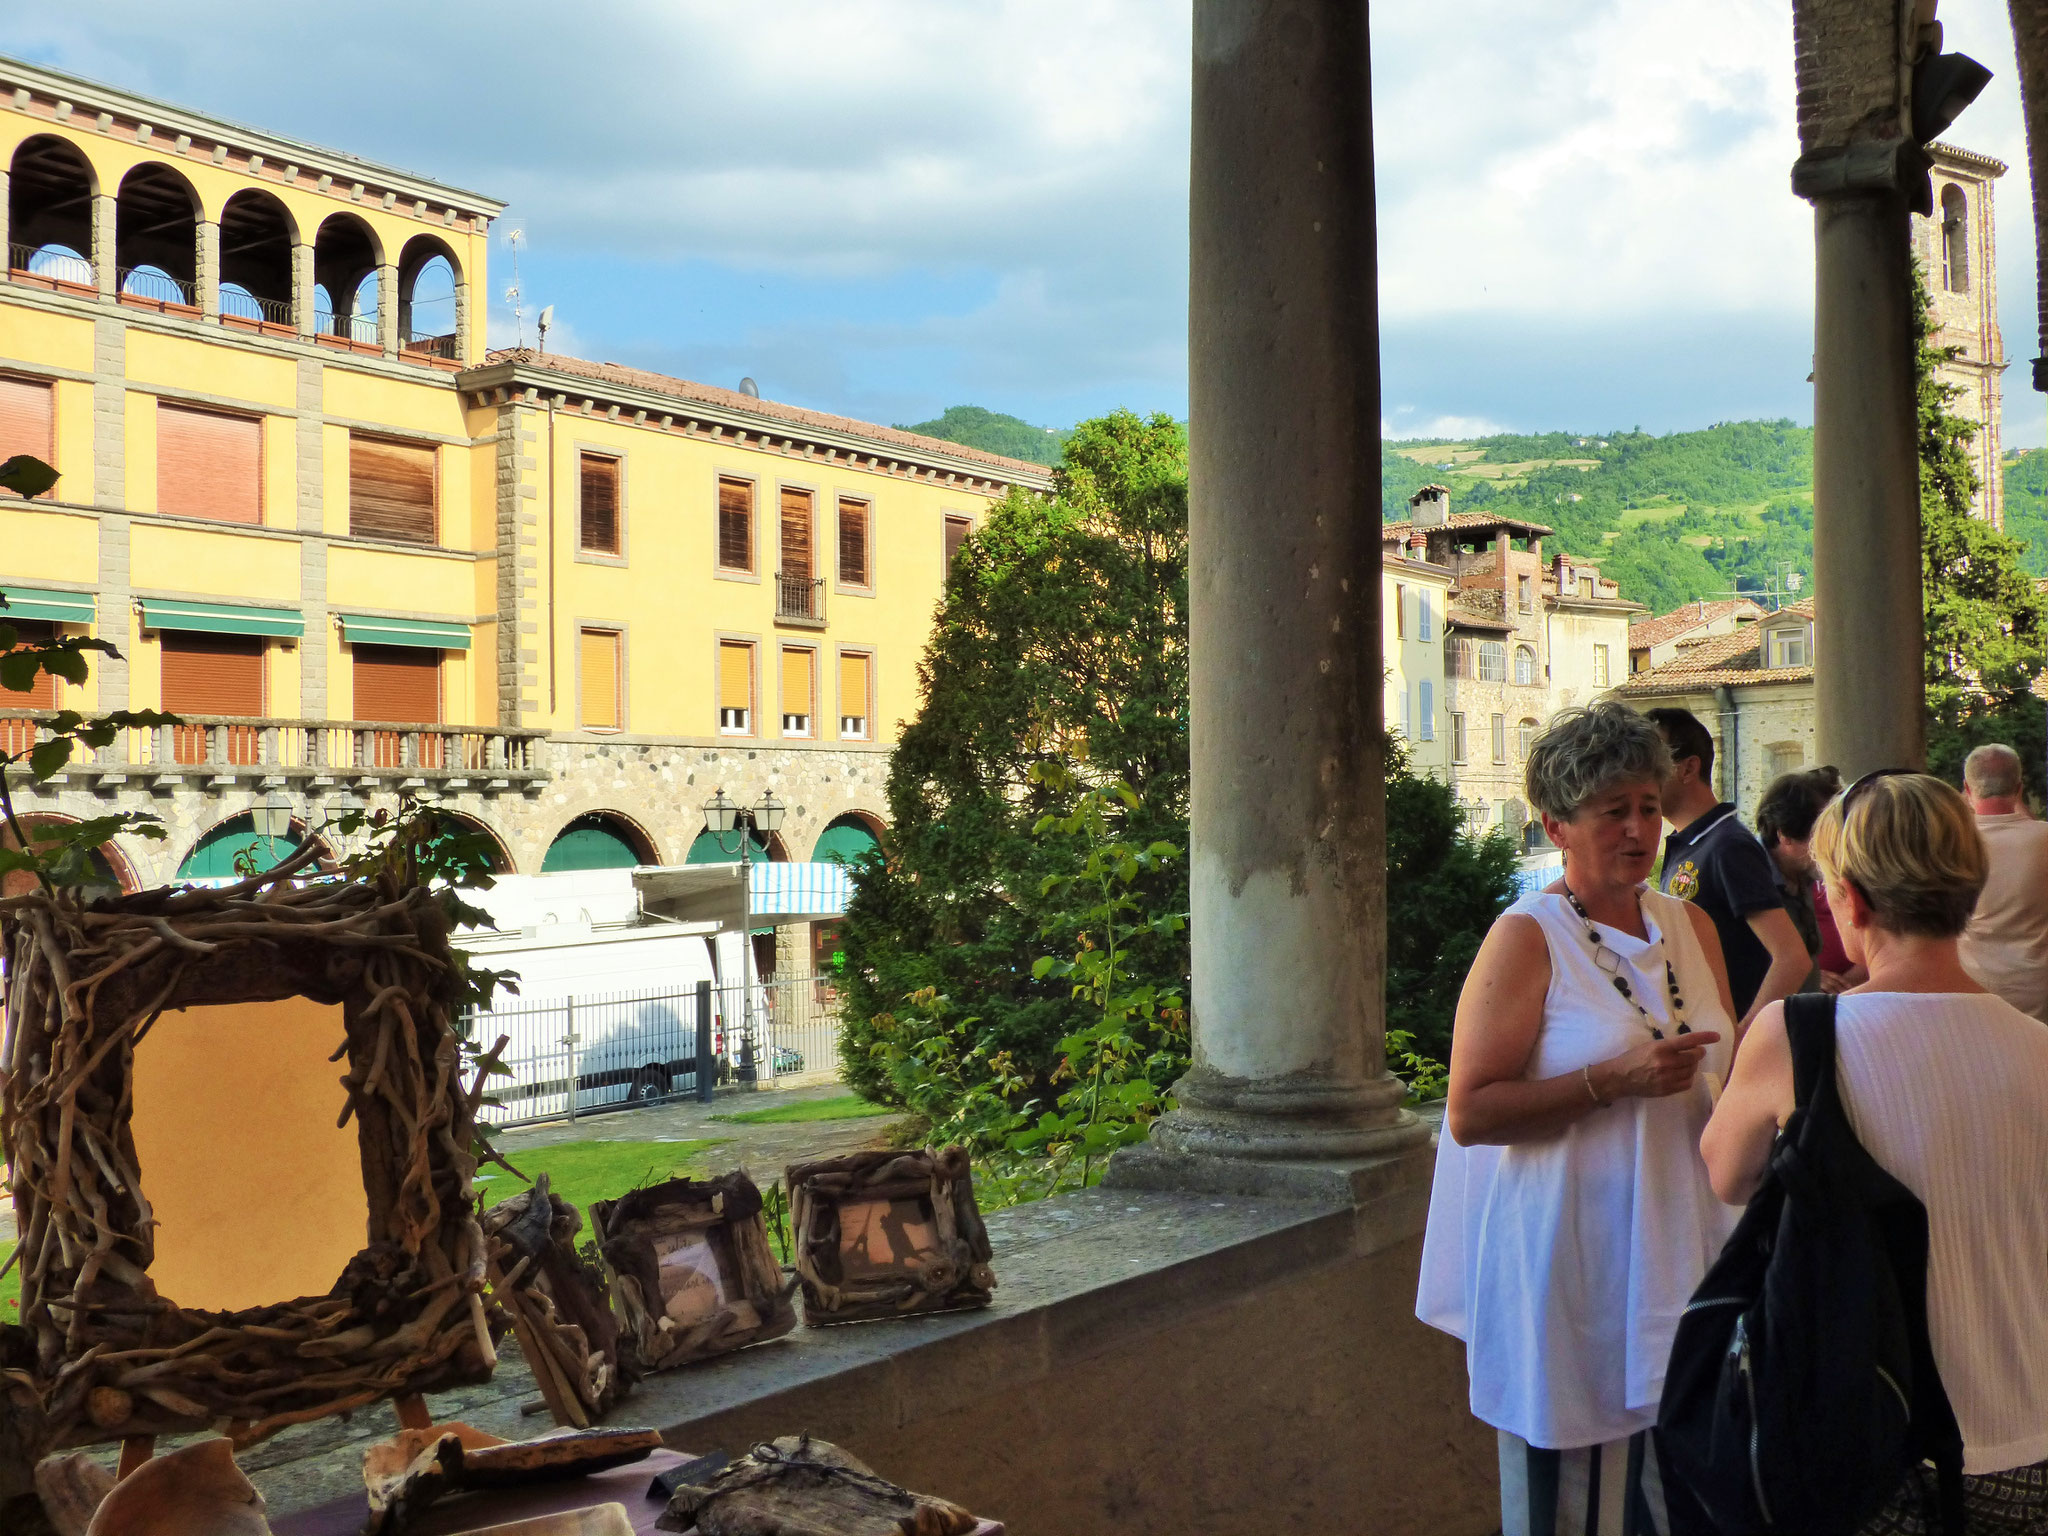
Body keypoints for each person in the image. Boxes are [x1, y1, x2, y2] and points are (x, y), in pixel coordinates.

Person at [1418, 702, 1737, 1536]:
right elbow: (1471, 1112)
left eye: (1646, 806)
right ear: (1557, 826)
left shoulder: (1690, 925)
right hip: (1575, 1266)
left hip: (1690, 1253)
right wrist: (1611, 1079)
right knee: (1576, 1507)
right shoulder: (1528, 938)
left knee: (1690, 1499)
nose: (1638, 829)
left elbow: (1728, 1078)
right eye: (1612, 812)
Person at [1702, 772, 2048, 1531]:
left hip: (1862, 1429)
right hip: (2026, 1432)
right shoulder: (2041, 1050)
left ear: (1851, 900)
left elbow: (1726, 1174)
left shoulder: (1798, 1038)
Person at [1646, 708, 1810, 1024]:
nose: (1638, 774)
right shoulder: (1689, 843)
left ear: (1687, 768)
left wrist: (1741, 1040)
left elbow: (1792, 958)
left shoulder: (1728, 846)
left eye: (1649, 761)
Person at [1957, 743, 2048, 1023]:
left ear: (1967, 789)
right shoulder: (2043, 839)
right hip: (2035, 989)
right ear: (2019, 789)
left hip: (1969, 986)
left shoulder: (1950, 842)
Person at [1754, 766, 1843, 993]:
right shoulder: (1751, 878)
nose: (1834, 849)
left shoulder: (1802, 872)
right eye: (1821, 838)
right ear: (1784, 835)